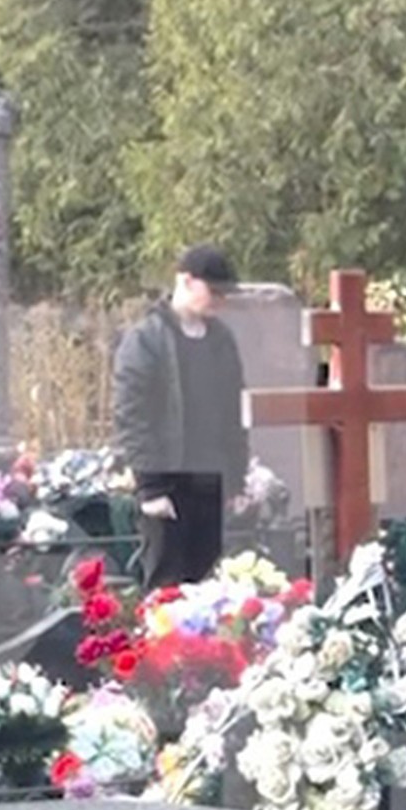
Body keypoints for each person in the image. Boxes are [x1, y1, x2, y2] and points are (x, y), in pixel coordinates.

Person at [112, 244, 249, 589]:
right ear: (186, 281)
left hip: (212, 485)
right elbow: (133, 417)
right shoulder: (145, 340)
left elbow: (233, 413)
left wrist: (236, 479)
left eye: (225, 294)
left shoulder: (222, 340)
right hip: (167, 487)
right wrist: (150, 488)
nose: (220, 301)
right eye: (214, 291)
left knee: (212, 590)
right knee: (166, 590)